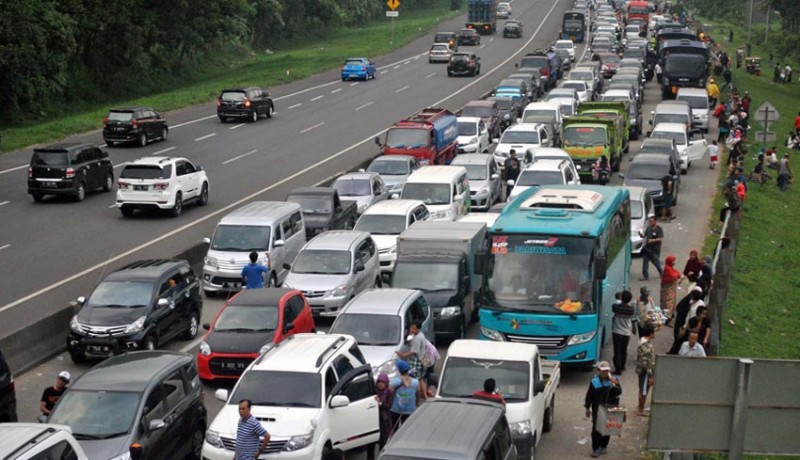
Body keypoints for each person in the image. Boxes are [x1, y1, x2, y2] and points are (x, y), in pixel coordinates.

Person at [584, 361, 622, 458]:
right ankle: (596, 448)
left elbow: (619, 392)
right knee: (597, 428)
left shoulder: (613, 380)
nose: (605, 373)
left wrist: (616, 384)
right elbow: (589, 396)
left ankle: (604, 446)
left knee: (608, 427)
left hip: (610, 407)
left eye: (607, 371)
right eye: (603, 371)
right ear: (599, 371)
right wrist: (587, 408)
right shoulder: (594, 382)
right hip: (597, 407)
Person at [390, 360, 423, 427]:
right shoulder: (415, 382)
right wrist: (417, 403)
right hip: (409, 410)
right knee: (406, 429)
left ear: (399, 370)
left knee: (394, 429)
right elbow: (418, 395)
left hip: (396, 410)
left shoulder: (394, 381)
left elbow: (390, 393)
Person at [611, 291, 635, 375]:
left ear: (622, 298)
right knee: (623, 350)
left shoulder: (615, 307)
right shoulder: (631, 309)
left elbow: (614, 306)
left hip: (617, 332)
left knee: (617, 351)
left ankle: (618, 369)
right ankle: (622, 366)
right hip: (626, 333)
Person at [636, 323, 656, 416]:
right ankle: (640, 409)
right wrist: (651, 376)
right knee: (643, 391)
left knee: (642, 390)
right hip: (645, 372)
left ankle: (640, 407)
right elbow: (647, 364)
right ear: (651, 334)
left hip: (641, 370)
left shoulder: (641, 341)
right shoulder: (647, 346)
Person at [640, 216, 664, 281]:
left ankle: (662, 273)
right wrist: (641, 235)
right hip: (647, 249)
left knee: (656, 262)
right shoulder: (648, 228)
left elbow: (660, 238)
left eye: (651, 221)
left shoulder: (659, 229)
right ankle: (645, 276)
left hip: (655, 249)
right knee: (645, 262)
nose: (650, 222)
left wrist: (653, 240)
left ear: (655, 221)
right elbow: (645, 235)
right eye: (649, 221)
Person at [375, 373, 395, 450]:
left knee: (385, 438)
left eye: (382, 382)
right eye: (379, 382)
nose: (380, 384)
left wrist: (380, 404)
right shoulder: (375, 391)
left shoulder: (389, 392)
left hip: (385, 418)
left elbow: (389, 405)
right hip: (376, 418)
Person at [660, 255, 682, 323]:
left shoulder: (670, 268)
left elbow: (676, 273)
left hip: (671, 290)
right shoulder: (668, 269)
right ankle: (667, 319)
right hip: (667, 290)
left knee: (671, 303)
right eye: (673, 261)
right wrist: (678, 275)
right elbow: (673, 276)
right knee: (668, 304)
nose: (674, 262)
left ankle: (670, 316)